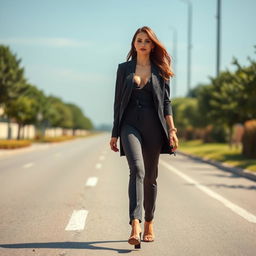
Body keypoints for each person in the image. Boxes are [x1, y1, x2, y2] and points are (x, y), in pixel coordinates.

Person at [109, 26, 179, 248]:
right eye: (139, 40)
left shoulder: (161, 70)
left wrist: (172, 131)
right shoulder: (123, 69)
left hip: (153, 127)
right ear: (134, 44)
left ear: (152, 45)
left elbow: (166, 103)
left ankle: (149, 221)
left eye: (147, 41)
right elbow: (118, 102)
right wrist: (114, 133)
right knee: (137, 170)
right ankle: (135, 224)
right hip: (129, 125)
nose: (142, 44)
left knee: (151, 177)